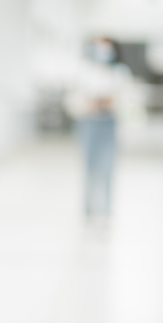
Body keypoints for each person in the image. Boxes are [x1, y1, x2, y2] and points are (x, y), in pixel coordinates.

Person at [64, 37, 131, 222]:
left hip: (109, 123)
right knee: (89, 169)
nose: (102, 51)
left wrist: (111, 103)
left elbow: (126, 99)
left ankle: (106, 212)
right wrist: (89, 104)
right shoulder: (84, 70)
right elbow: (73, 100)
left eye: (106, 47)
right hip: (89, 122)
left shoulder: (119, 72)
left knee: (108, 168)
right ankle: (88, 212)